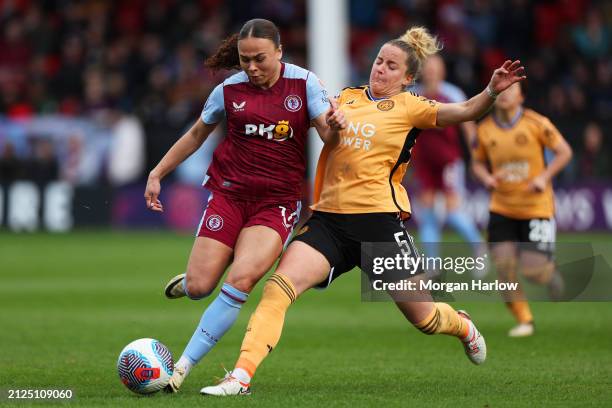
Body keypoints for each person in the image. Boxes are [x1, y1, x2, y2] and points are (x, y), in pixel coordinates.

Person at [199, 26, 526, 396]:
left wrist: (491, 91)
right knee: (277, 289)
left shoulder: (412, 106)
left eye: (391, 66)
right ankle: (239, 378)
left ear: (408, 78)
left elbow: (466, 110)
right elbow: (296, 116)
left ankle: (463, 326)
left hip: (379, 227)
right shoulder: (345, 98)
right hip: (329, 222)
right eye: (378, 61)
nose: (380, 69)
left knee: (426, 318)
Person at [144, 18, 345, 392]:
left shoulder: (305, 84)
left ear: (280, 52)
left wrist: (337, 125)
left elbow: (329, 138)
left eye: (259, 59)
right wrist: (157, 172)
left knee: (241, 279)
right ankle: (189, 283)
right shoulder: (228, 90)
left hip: (276, 203)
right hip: (229, 195)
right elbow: (195, 135)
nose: (251, 68)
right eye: (244, 59)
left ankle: (180, 369)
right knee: (203, 286)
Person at [471, 82, 572, 337]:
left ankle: (549, 275)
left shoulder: (537, 123)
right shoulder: (484, 130)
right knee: (504, 268)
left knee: (534, 272)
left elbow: (564, 152)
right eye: (501, 91)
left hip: (536, 207)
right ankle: (525, 320)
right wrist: (486, 178)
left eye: (511, 90)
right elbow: (477, 163)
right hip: (501, 208)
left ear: (522, 95)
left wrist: (544, 177)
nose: (504, 94)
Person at [409, 55, 483, 263]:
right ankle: (432, 266)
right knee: (428, 213)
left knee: (452, 211)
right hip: (424, 163)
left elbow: (469, 127)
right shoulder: (413, 95)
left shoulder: (452, 94)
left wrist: (476, 159)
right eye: (428, 68)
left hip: (449, 162)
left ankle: (478, 247)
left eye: (435, 68)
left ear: (442, 72)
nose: (431, 72)